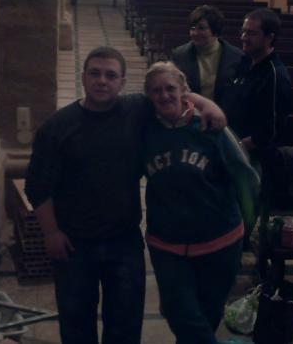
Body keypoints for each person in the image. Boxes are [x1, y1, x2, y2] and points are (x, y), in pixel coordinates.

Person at [24, 46, 228, 344]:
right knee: (76, 321)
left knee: (125, 324)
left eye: (110, 75)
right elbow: (37, 185)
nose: (102, 81)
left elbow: (170, 90)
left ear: (122, 82)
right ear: (83, 77)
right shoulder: (57, 127)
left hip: (124, 241)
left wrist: (207, 105)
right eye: (95, 73)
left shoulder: (136, 109)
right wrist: (51, 232)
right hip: (74, 243)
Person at [143, 61, 260, 344]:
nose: (164, 95)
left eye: (170, 88)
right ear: (148, 96)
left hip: (220, 240)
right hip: (167, 243)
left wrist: (249, 228)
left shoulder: (211, 126)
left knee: (207, 314)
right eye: (156, 91)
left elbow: (246, 178)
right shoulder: (142, 129)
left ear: (184, 90)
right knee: (179, 310)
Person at [227, 8, 291, 155]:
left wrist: (236, 148)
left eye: (251, 33)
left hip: (253, 156)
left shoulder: (275, 75)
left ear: (269, 37)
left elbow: (271, 132)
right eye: (243, 31)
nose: (243, 37)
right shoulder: (245, 62)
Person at [171, 4, 244, 109]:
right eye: (192, 28)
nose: (194, 33)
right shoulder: (180, 55)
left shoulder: (236, 57)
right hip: (191, 114)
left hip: (225, 114)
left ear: (215, 31)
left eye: (201, 28)